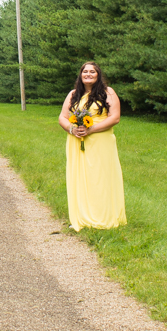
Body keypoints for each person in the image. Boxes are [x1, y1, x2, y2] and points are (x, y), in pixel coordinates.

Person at [56, 61, 126, 231]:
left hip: (101, 141)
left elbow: (114, 117)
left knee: (100, 179)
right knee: (80, 177)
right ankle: (82, 216)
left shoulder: (108, 92)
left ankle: (103, 216)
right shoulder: (73, 94)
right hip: (77, 141)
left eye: (92, 71)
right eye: (85, 71)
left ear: (98, 74)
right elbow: (62, 117)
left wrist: (91, 129)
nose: (88, 74)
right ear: (80, 75)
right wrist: (72, 129)